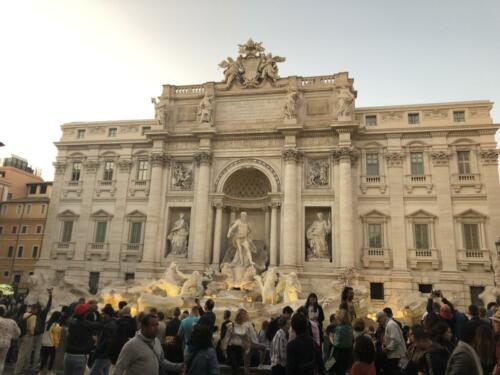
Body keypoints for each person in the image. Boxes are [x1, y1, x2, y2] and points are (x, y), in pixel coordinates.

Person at [113, 314, 183, 375]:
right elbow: (119, 367)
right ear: (143, 327)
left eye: (157, 325)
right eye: (153, 325)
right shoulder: (131, 345)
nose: (157, 328)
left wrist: (178, 366)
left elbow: (161, 361)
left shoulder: (156, 341)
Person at [64, 303, 104, 375]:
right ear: (85, 314)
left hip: (68, 355)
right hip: (80, 356)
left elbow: (70, 317)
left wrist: (76, 313)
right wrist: (96, 312)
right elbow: (100, 324)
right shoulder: (86, 324)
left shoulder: (71, 321)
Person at [222, 308, 264, 375]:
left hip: (240, 349)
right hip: (232, 348)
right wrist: (225, 353)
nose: (244, 317)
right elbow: (226, 339)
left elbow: (249, 339)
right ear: (238, 316)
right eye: (242, 315)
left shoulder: (246, 326)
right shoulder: (232, 325)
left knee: (239, 365)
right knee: (235, 365)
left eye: (244, 315)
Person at [14, 302, 42, 374]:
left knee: (21, 353)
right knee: (23, 354)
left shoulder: (25, 314)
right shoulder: (33, 316)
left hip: (21, 335)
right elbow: (31, 328)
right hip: (28, 336)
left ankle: (20, 369)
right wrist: (32, 334)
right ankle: (18, 371)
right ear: (35, 309)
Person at [376, 310, 406, 375]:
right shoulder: (389, 324)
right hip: (395, 355)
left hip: (397, 356)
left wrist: (387, 349)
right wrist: (385, 344)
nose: (379, 322)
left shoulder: (391, 325)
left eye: (379, 320)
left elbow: (396, 340)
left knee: (398, 372)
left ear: (383, 317)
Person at [89, 305, 117, 375]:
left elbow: (106, 342)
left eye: (104, 314)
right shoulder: (113, 324)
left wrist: (97, 351)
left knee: (92, 373)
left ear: (108, 315)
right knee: (105, 373)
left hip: (103, 355)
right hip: (108, 355)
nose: (103, 315)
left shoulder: (108, 326)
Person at [331, 309, 354, 375]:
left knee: (328, 366)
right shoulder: (350, 327)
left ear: (339, 319)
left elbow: (336, 344)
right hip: (348, 353)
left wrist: (331, 338)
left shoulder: (339, 328)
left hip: (338, 354)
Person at [39, 311, 62, 375]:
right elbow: (56, 336)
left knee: (44, 358)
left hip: (44, 342)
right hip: (51, 344)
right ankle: (49, 371)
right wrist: (56, 344)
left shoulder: (46, 323)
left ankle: (40, 371)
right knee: (52, 358)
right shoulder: (56, 325)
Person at [0, 305, 20, 375]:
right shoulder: (12, 322)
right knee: (2, 361)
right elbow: (18, 333)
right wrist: (13, 337)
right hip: (7, 343)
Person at [164, 307, 183, 375]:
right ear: (179, 314)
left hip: (169, 346)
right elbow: (181, 336)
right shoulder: (181, 323)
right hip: (178, 347)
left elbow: (166, 335)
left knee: (170, 366)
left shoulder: (169, 323)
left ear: (173, 313)